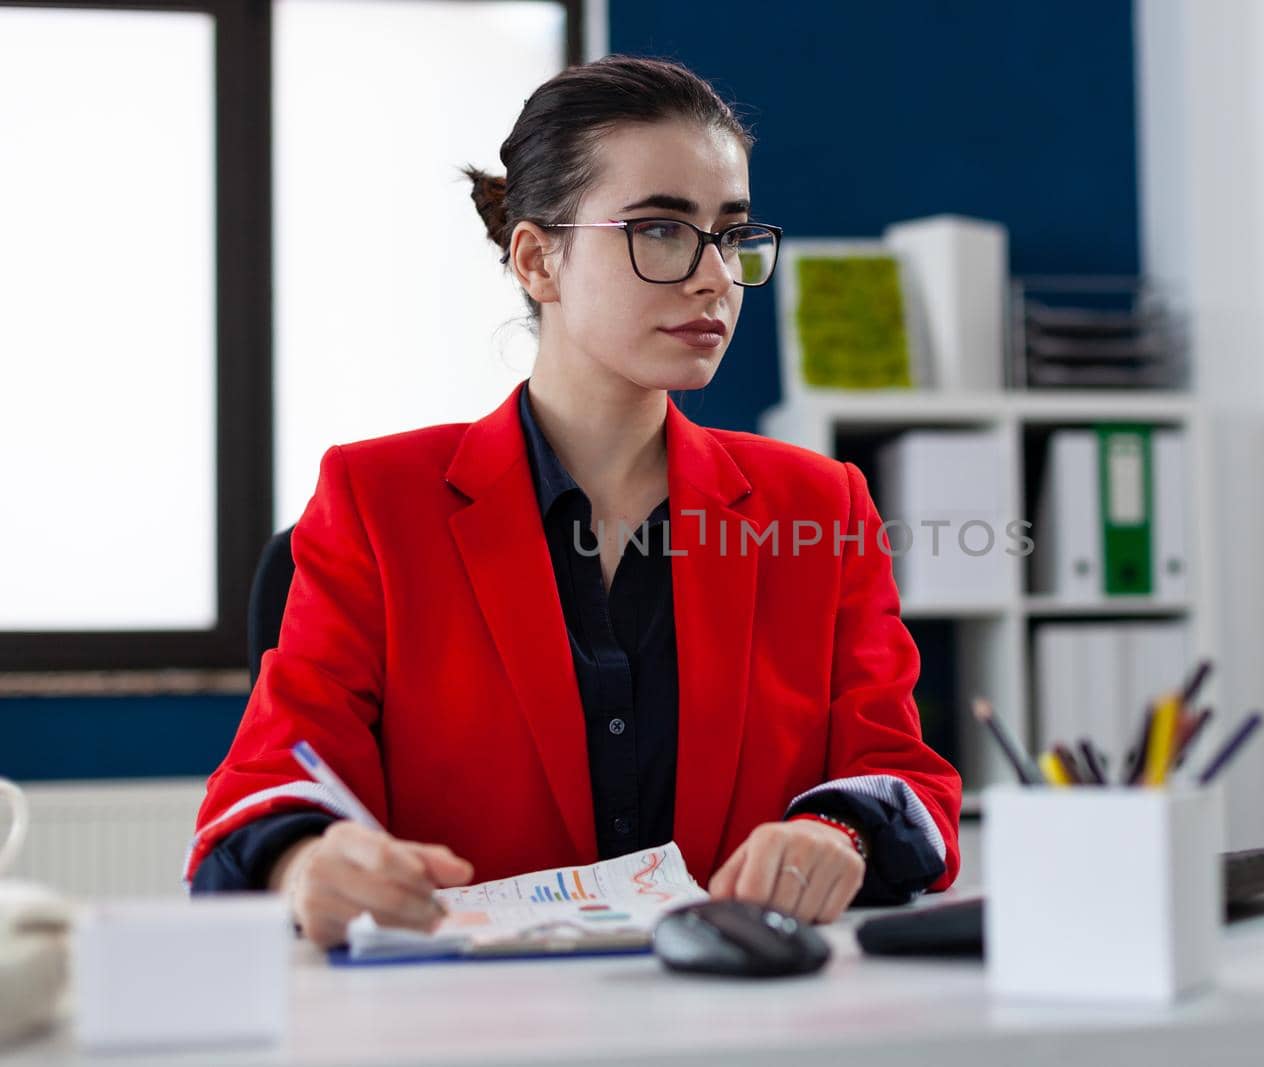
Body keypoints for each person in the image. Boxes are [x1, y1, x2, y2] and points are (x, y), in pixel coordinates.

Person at [187, 55, 961, 949]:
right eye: (661, 231)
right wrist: (305, 863)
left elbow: (900, 770)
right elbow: (267, 778)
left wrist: (839, 833)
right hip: (466, 1015)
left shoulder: (819, 506)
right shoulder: (376, 500)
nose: (715, 278)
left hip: (738, 1011)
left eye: (731, 234)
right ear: (537, 258)